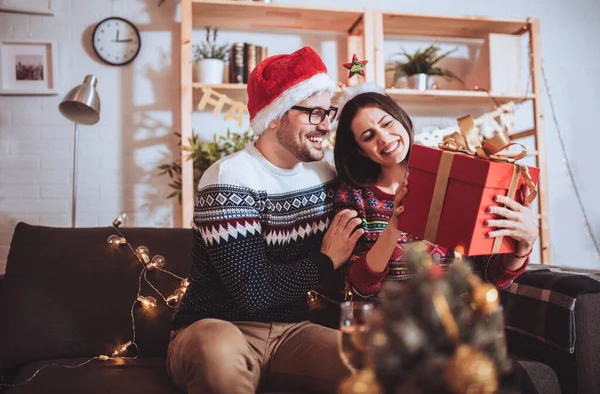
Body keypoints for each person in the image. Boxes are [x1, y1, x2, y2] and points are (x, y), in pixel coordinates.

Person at [167, 47, 362, 394]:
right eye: (314, 112)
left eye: (328, 111)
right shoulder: (230, 177)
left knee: (370, 366)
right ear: (274, 116)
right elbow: (253, 293)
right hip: (217, 327)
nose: (327, 124)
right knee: (219, 354)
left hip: (292, 331)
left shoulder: (325, 175)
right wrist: (326, 260)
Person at [333, 84, 539, 303]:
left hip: (456, 320)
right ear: (360, 150)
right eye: (368, 136)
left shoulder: (452, 178)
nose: (383, 138)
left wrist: (523, 246)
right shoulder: (354, 197)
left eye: (387, 123)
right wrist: (394, 225)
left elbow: (493, 276)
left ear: (401, 118)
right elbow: (360, 286)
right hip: (392, 327)